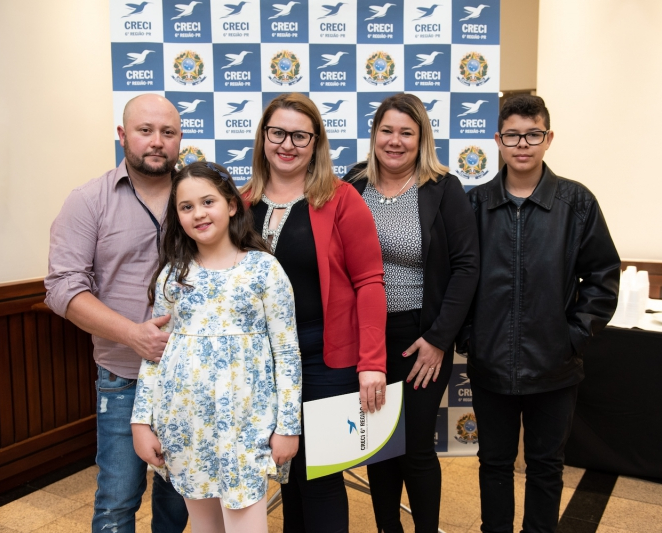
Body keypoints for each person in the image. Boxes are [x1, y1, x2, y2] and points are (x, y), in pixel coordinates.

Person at [465, 94, 620, 533]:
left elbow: (603, 276)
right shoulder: (475, 204)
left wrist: (572, 337)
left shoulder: (577, 202)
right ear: (498, 140)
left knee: (546, 466)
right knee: (494, 464)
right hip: (490, 364)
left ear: (548, 138)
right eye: (512, 135)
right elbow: (456, 278)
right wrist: (470, 337)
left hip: (554, 366)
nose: (522, 144)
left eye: (533, 135)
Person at [241, 92, 388, 533]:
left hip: (326, 358)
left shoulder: (341, 199)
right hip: (263, 360)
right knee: (286, 471)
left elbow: (369, 282)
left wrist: (372, 362)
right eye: (278, 133)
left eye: (300, 136)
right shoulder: (241, 203)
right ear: (263, 137)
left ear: (316, 142)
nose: (287, 144)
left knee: (320, 476)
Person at [130, 161, 302, 532]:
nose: (198, 213)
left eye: (208, 202)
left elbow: (287, 354)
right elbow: (155, 355)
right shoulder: (173, 275)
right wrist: (141, 422)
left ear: (232, 205)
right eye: (186, 207)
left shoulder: (264, 269)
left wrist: (288, 426)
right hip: (185, 428)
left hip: (246, 428)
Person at [44, 94, 189, 532]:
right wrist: (132, 335)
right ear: (123, 135)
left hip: (192, 377)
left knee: (183, 499)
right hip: (123, 377)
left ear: (180, 139)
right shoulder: (89, 200)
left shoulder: (202, 197)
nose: (157, 141)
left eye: (168, 132)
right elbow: (62, 287)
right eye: (146, 131)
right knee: (117, 500)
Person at [345, 93, 481, 533]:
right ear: (374, 134)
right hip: (365, 336)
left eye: (406, 132)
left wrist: (439, 339)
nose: (395, 141)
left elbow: (467, 267)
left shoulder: (443, 188)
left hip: (420, 336)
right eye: (387, 130)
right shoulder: (353, 184)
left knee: (416, 447)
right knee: (379, 447)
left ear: (421, 139)